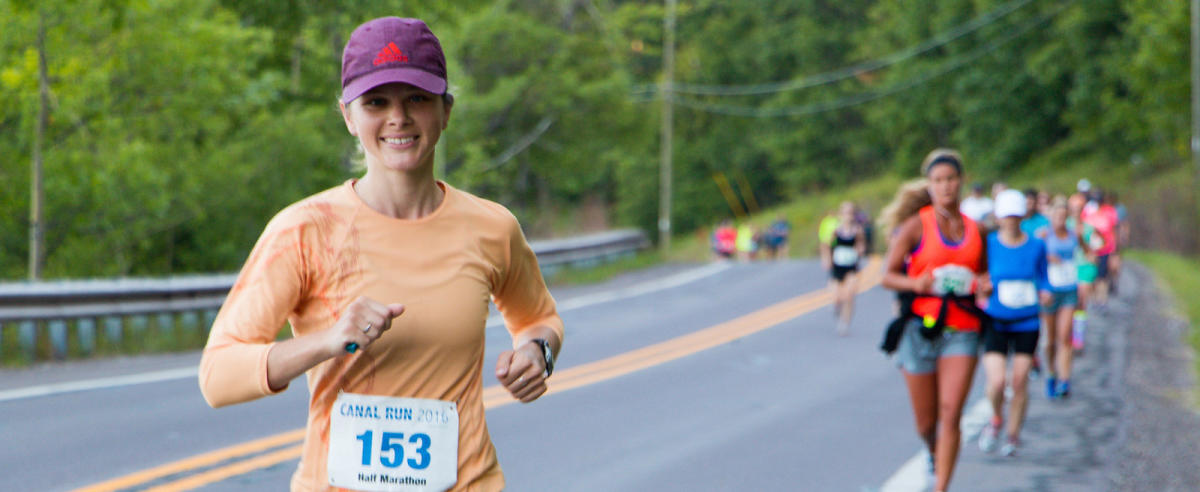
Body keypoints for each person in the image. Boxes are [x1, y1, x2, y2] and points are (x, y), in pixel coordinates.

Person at [197, 17, 564, 492]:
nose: (399, 118)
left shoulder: (492, 227)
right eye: (376, 102)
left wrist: (537, 352)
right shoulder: (305, 230)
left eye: (417, 98)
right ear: (349, 116)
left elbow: (540, 319)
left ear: (445, 110)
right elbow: (217, 377)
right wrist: (329, 340)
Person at [880, 149, 987, 492]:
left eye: (951, 179)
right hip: (921, 328)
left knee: (951, 412)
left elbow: (985, 274)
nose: (945, 187)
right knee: (926, 423)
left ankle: (941, 487)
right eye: (938, 181)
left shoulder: (976, 230)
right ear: (929, 185)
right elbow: (887, 275)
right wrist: (916, 283)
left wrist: (984, 283)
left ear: (961, 181)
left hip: (963, 328)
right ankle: (932, 450)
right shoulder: (916, 225)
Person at [977, 190, 1049, 457]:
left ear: (1022, 216)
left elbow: (1043, 277)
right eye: (1005, 217)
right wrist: (982, 286)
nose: (1010, 221)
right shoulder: (990, 244)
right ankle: (996, 419)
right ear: (998, 217)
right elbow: (980, 273)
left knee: (1019, 382)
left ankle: (1013, 435)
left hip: (1027, 321)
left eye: (1014, 216)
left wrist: (1046, 290)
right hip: (996, 319)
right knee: (996, 382)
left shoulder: (1036, 245)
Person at [1041, 197, 1087, 399]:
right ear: (1050, 217)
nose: (1060, 219)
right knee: (1049, 341)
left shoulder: (1074, 235)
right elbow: (1034, 261)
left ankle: (1065, 380)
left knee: (1064, 337)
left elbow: (1087, 252)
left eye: (1063, 215)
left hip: (1069, 289)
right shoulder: (1043, 236)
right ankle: (1051, 373)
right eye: (1056, 215)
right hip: (1050, 292)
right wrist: (1047, 258)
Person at [821, 201, 866, 336]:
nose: (848, 216)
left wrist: (860, 250)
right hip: (837, 265)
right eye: (846, 213)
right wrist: (827, 258)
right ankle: (837, 307)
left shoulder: (857, 230)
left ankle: (844, 323)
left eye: (851, 213)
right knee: (837, 296)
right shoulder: (836, 230)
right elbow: (826, 245)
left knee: (849, 295)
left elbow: (861, 244)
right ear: (841, 214)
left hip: (851, 266)